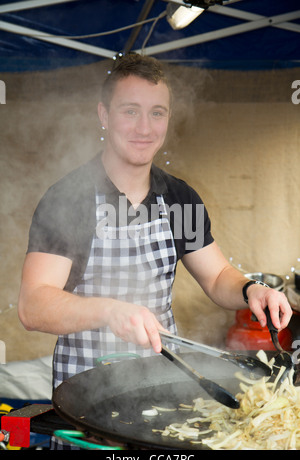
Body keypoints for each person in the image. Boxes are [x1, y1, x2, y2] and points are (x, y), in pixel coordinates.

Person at [18, 53, 292, 392]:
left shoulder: (179, 197)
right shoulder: (68, 199)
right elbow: (34, 305)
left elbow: (218, 276)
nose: (144, 128)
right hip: (84, 395)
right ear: (104, 115)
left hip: (161, 385)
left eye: (156, 113)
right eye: (130, 111)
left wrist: (253, 290)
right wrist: (111, 311)